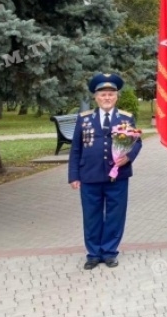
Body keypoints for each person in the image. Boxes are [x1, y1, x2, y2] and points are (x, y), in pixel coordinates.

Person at [68, 73, 142, 270]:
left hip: (118, 176)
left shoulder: (125, 117)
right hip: (89, 176)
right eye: (102, 95)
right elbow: (76, 148)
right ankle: (93, 254)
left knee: (115, 215)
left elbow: (137, 142)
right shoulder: (84, 119)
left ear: (116, 96)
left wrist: (129, 157)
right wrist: (74, 175)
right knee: (91, 216)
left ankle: (109, 252)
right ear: (95, 97)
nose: (107, 98)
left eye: (110, 94)